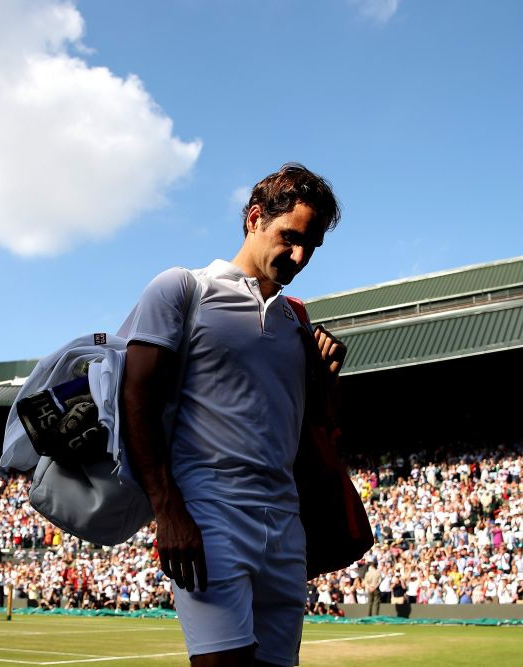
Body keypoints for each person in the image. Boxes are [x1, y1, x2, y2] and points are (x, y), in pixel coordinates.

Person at [121, 163, 343, 667]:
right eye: (290, 238)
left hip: (286, 525)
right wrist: (168, 510)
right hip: (210, 514)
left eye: (311, 246)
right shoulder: (182, 289)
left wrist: (326, 378)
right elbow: (136, 397)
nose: (300, 256)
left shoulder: (298, 321)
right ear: (255, 217)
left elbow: (315, 428)